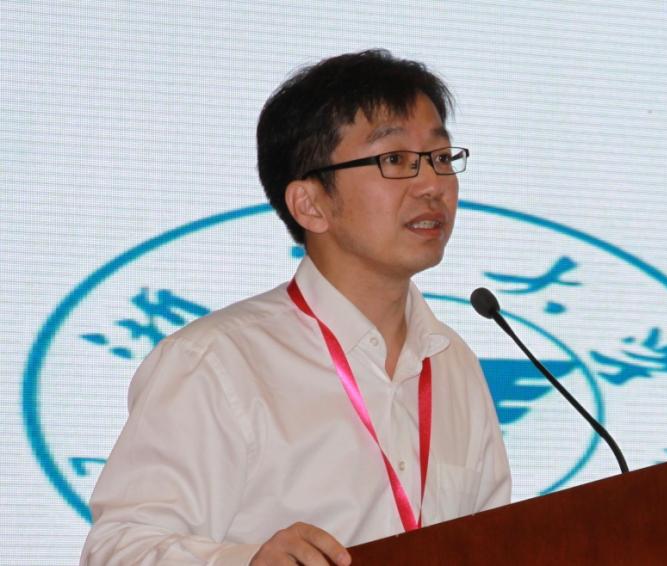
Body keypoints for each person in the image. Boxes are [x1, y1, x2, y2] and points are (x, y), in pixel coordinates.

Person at [81, 50, 512, 566]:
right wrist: (247, 563)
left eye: (441, 157)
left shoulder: (452, 362)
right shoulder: (217, 362)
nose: (432, 185)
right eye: (396, 160)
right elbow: (118, 550)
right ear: (311, 204)